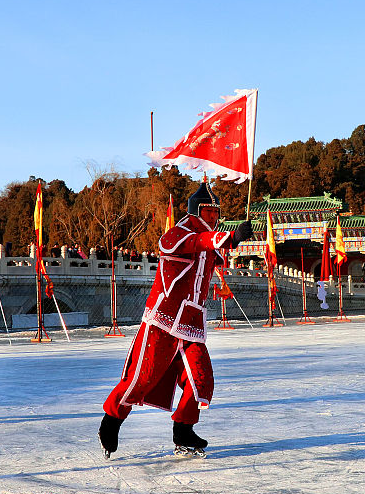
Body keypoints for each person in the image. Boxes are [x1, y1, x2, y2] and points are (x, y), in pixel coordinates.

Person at [98, 182, 253, 458]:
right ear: (196, 211)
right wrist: (228, 236)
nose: (214, 218)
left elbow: (214, 250)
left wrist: (236, 238)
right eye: (208, 212)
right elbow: (197, 242)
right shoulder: (177, 235)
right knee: (141, 377)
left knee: (200, 380)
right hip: (163, 321)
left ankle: (183, 429)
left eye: (216, 213)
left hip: (192, 323)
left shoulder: (208, 239)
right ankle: (111, 421)